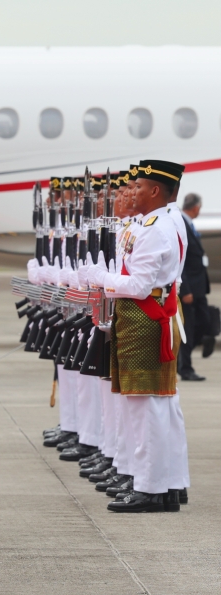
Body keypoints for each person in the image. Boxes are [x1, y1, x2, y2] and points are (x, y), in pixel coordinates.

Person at [87, 160, 189, 513]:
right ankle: (167, 484)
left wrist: (101, 277)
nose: (134, 192)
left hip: (144, 319)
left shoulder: (155, 228)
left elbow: (141, 285)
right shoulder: (152, 224)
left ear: (156, 191)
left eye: (140, 187)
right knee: (154, 408)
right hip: (144, 318)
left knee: (144, 409)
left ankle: (149, 488)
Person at [177, 193, 212, 381]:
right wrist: (185, 290)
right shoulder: (182, 224)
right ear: (196, 207)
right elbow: (180, 261)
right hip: (190, 289)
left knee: (204, 322)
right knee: (188, 330)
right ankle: (185, 367)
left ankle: (182, 362)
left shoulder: (188, 223)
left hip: (199, 287)